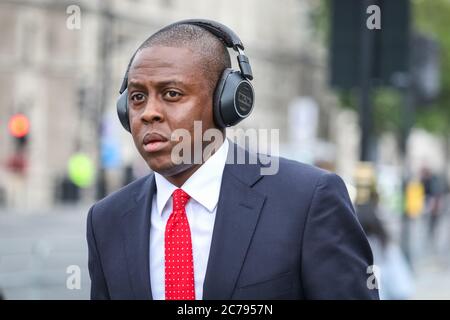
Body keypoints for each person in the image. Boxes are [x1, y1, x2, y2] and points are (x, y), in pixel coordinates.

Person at [86, 19, 378, 300]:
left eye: (171, 93)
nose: (148, 112)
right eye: (137, 97)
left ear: (225, 102)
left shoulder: (309, 200)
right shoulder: (105, 220)